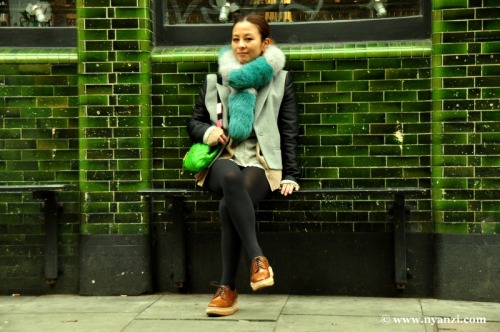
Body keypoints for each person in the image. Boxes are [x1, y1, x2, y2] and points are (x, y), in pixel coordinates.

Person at [186, 13, 300, 317]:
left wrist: (290, 174)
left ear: (265, 44)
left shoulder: (281, 81)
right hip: (222, 158)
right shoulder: (215, 80)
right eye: (236, 38)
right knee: (231, 179)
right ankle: (257, 258)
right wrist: (208, 131)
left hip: (261, 161)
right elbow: (194, 122)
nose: (240, 44)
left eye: (248, 38)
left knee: (228, 206)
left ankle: (228, 289)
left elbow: (289, 130)